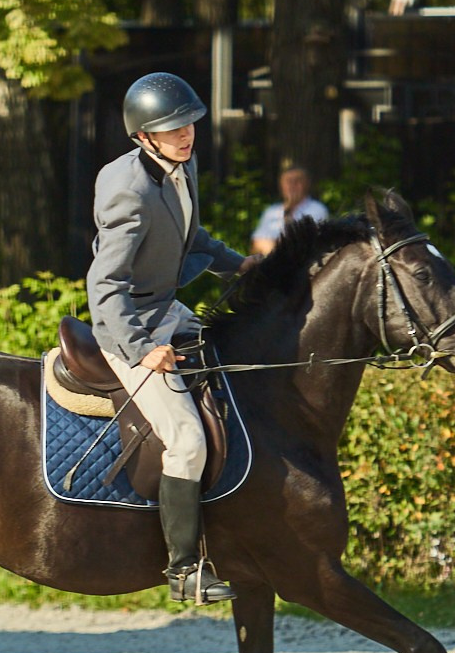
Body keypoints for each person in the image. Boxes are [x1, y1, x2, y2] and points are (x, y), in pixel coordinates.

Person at [88, 71, 253, 605]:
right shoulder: (127, 191)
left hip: (166, 307)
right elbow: (104, 285)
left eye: (189, 124)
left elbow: (193, 236)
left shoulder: (184, 166)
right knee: (185, 439)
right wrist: (141, 349)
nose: (187, 134)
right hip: (126, 325)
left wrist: (241, 266)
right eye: (173, 128)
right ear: (144, 136)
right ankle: (183, 570)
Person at [250, 163, 332, 256]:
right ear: (281, 185)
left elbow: (305, 244)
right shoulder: (271, 212)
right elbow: (256, 246)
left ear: (307, 184)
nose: (292, 185)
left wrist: (272, 246)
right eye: (288, 181)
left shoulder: (317, 209)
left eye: (297, 181)